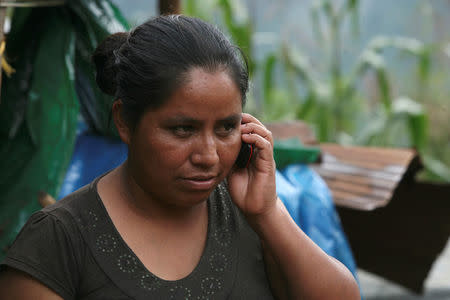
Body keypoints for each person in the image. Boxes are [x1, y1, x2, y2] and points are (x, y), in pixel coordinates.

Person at [0, 15, 359, 299]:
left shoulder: (251, 219)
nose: (208, 156)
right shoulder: (58, 241)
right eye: (182, 130)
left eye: (225, 128)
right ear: (124, 121)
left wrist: (268, 214)